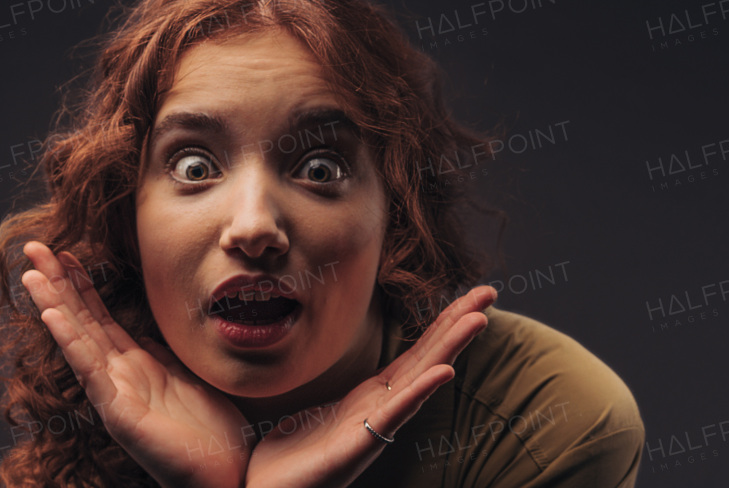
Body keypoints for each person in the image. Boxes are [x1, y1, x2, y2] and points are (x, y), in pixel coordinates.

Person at [0, 0, 644, 486]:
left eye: (320, 169)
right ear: (124, 213)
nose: (253, 227)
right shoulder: (78, 423)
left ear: (397, 211)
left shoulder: (547, 422)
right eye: (194, 167)